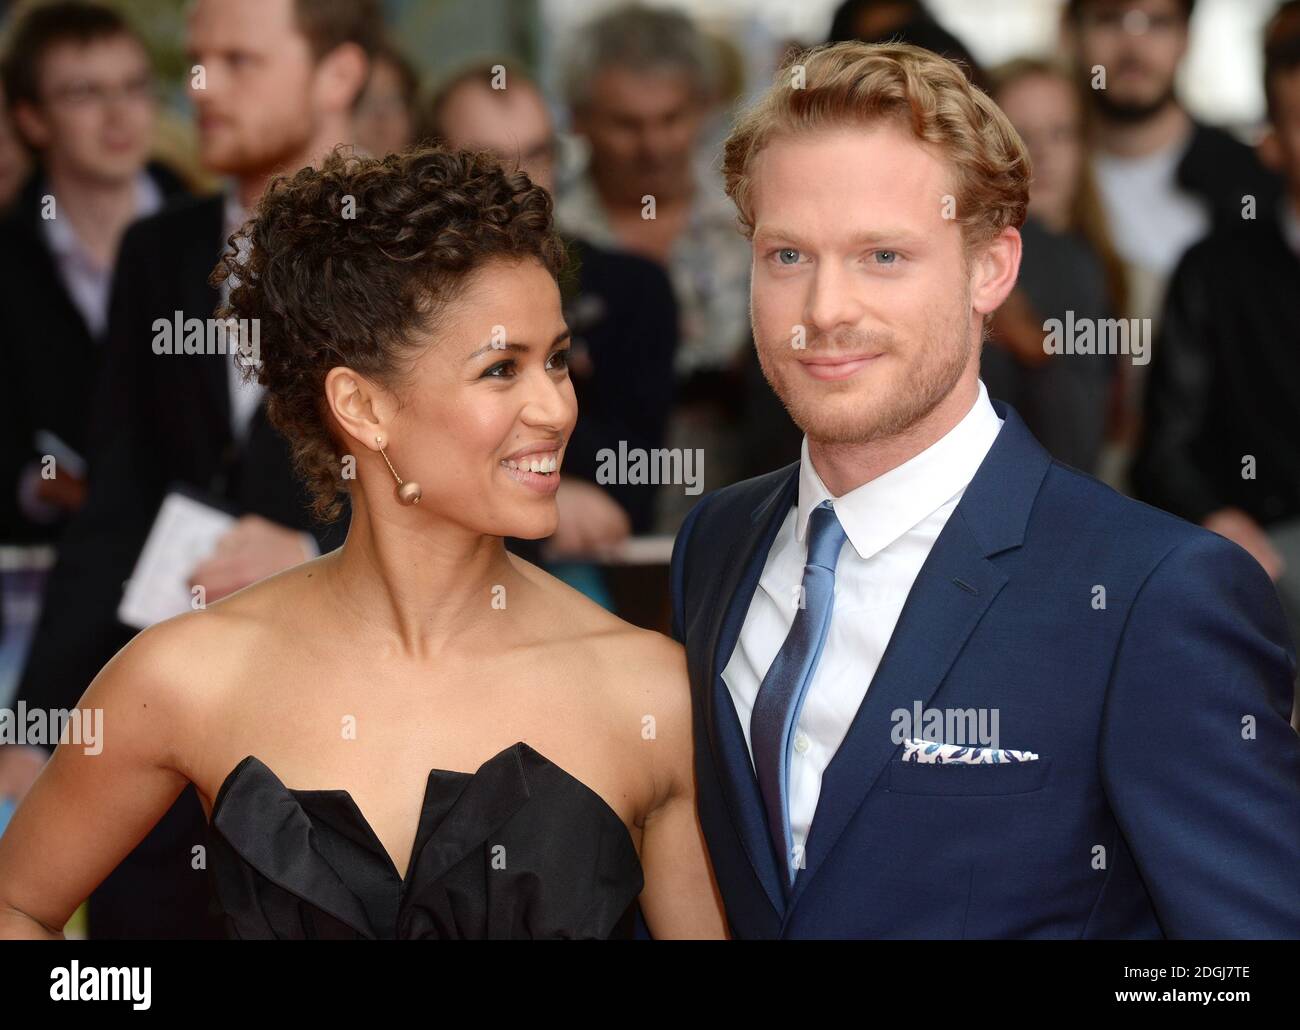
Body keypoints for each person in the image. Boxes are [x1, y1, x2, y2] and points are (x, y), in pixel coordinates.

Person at [0, 144, 728, 941]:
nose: (555, 409)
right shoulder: (188, 675)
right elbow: (19, 906)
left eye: (555, 361)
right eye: (500, 369)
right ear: (362, 406)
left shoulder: (648, 693)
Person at [670, 41, 1300, 938]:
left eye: (883, 255)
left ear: (990, 271)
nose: (824, 310)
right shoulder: (717, 546)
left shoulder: (1154, 594)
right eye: (787, 257)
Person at [0, 0, 379, 939]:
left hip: (340, 734)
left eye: (240, 62)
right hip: (159, 740)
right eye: (197, 60)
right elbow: (117, 505)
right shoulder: (159, 250)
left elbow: (464, 486)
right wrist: (39, 722)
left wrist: (315, 546)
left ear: (338, 74)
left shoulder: (409, 254)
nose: (200, 90)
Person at [426, 59, 677, 558]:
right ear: (427, 170)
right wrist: (544, 495)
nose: (519, 180)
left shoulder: (631, 287)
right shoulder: (392, 297)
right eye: (486, 161)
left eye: (538, 153)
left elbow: (631, 482)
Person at [1132, 0, 1300, 728]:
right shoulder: (1215, 271)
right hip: (1269, 554)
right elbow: (1164, 451)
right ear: (1271, 142)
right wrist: (1217, 515)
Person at [557, 4, 751, 533]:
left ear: (705, 107)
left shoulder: (755, 219)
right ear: (578, 117)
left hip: (744, 506)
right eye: (626, 124)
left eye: (672, 118)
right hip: (582, 524)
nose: (653, 146)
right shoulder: (544, 233)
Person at [0, 0, 186, 546]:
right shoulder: (10, 261)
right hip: (56, 577)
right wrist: (60, 489)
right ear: (32, 119)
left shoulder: (223, 231)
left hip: (226, 571)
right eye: (84, 93)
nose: (119, 114)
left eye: (133, 86)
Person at [982, 57, 1125, 476]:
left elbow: (1082, 446)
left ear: (1085, 146)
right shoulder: (954, 266)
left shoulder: (1102, 268)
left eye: (1060, 133)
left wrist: (1035, 346)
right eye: (1020, 135)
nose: (1040, 154)